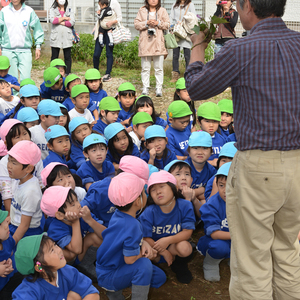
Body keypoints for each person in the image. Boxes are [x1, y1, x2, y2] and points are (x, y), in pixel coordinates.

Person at [185, 0, 300, 298]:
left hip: (259, 166)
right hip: (298, 164)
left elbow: (196, 87)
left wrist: (198, 44)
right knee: (287, 249)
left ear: (247, 5)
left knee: (252, 257)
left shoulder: (241, 50)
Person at [96, 172, 166, 299]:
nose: (146, 194)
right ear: (137, 202)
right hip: (111, 275)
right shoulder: (133, 225)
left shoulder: (118, 214)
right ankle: (120, 292)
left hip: (106, 269)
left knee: (159, 277)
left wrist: (143, 243)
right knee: (144, 265)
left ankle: (116, 291)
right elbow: (130, 260)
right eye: (143, 192)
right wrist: (147, 254)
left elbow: (124, 241)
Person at [140, 170, 195, 283]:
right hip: (155, 247)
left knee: (185, 248)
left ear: (173, 187)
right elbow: (145, 238)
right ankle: (156, 267)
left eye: (162, 186)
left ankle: (179, 265)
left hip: (174, 244)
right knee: (146, 254)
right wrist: (164, 252)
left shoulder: (185, 205)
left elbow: (188, 232)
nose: (158, 192)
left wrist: (168, 240)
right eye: (153, 190)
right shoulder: (149, 211)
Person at [12, 233, 99, 299]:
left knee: (74, 296)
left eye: (55, 245)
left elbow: (92, 293)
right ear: (39, 267)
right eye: (52, 250)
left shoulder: (68, 271)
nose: (59, 250)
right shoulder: (29, 291)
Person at [197, 162, 231, 282]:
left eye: (232, 185)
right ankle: (211, 263)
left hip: (237, 240)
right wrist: (240, 236)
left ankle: (235, 259)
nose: (226, 190)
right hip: (217, 240)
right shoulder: (212, 205)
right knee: (220, 247)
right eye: (221, 185)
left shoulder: (247, 202)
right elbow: (215, 234)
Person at [7, 140, 43, 243]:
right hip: (16, 226)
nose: (9, 165)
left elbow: (24, 225)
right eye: (9, 160)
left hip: (27, 234)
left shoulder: (30, 191)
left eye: (14, 163)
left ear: (28, 168)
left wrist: (11, 244)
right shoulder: (20, 180)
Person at [0, 0, 44, 81]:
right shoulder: (4, 11)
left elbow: (37, 29)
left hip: (25, 51)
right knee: (11, 80)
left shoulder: (29, 11)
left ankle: (25, 93)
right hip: (8, 51)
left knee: (26, 79)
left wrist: (38, 46)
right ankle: (14, 94)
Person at [134, 0, 170, 97]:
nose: (153, 0)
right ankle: (145, 87)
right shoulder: (142, 10)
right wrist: (146, 23)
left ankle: (159, 87)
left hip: (158, 42)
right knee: (145, 68)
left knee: (159, 68)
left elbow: (167, 25)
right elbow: (136, 25)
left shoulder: (162, 10)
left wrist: (158, 23)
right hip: (145, 43)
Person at [93, 0, 122, 82]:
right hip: (101, 30)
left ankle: (108, 73)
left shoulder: (115, 3)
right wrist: (96, 27)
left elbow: (120, 17)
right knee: (96, 54)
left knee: (109, 53)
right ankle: (95, 71)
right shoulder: (100, 2)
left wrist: (112, 22)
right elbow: (101, 17)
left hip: (110, 31)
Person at [169, 0, 196, 82]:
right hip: (176, 31)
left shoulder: (190, 5)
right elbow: (171, 17)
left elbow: (193, 18)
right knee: (175, 55)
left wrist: (184, 21)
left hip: (186, 33)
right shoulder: (175, 5)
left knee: (187, 55)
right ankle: (175, 76)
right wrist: (172, 26)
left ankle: (188, 76)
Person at [49, 0, 75, 75]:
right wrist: (65, 18)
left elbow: (72, 22)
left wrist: (59, 21)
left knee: (67, 56)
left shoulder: (70, 10)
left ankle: (67, 73)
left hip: (67, 36)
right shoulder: (52, 9)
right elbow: (52, 20)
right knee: (54, 56)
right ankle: (53, 73)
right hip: (56, 36)